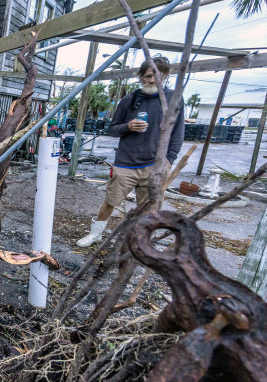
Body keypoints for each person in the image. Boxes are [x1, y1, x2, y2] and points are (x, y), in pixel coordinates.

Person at [76, 57, 185, 247]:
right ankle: (95, 235)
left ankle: (140, 240)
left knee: (147, 208)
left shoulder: (174, 99)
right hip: (126, 163)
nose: (153, 81)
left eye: (158, 77)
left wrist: (168, 161)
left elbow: (178, 133)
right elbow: (112, 129)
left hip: (155, 164)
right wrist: (128, 126)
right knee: (110, 201)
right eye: (149, 76)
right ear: (140, 76)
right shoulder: (130, 100)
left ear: (166, 76)